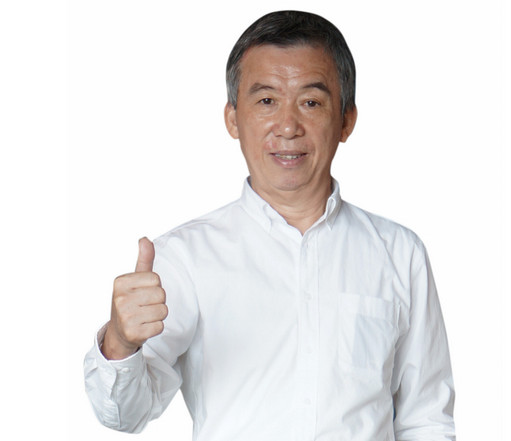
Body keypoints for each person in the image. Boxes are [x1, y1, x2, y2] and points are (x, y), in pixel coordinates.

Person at [84, 10, 456, 441]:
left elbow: (426, 419)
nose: (288, 126)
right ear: (232, 118)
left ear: (346, 120)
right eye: (266, 101)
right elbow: (125, 414)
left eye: (311, 102)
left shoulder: (400, 254)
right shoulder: (185, 258)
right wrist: (120, 344)